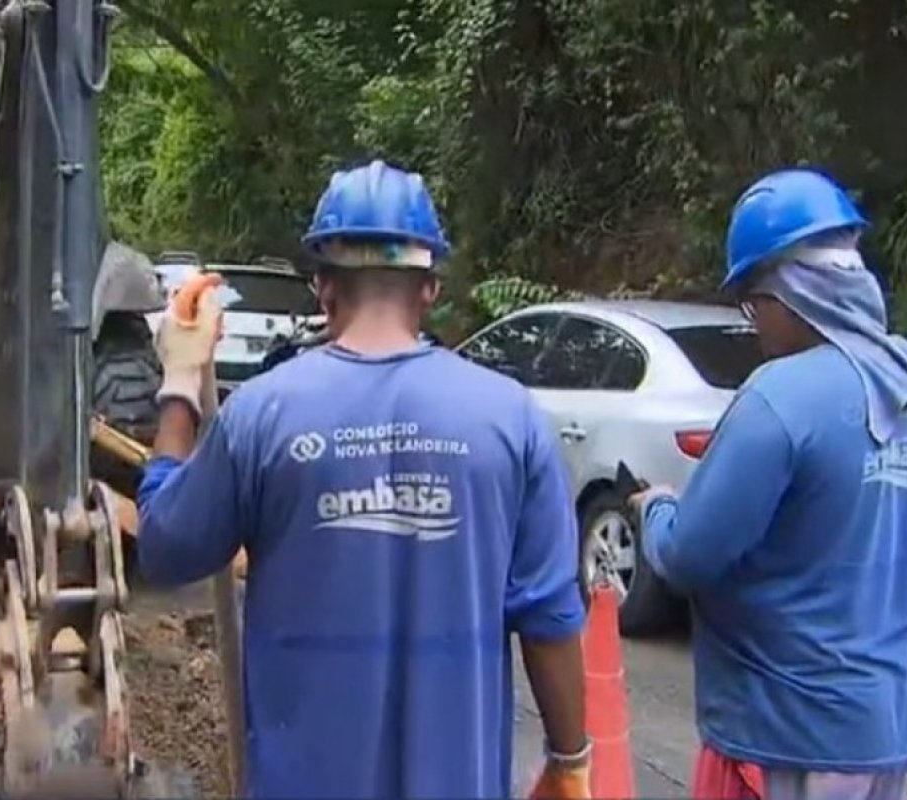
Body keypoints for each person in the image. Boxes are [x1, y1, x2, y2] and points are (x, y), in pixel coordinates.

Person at [136, 159, 590, 799]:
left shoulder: (260, 416)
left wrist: (181, 382)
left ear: (323, 286)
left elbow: (164, 546)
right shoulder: (512, 419)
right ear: (429, 288)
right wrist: (570, 763)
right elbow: (549, 620)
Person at [629, 167, 907, 800]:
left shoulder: (780, 396)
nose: (753, 326)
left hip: (788, 735)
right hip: (887, 733)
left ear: (791, 294)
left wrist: (658, 509)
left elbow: (690, 555)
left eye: (753, 305)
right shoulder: (898, 378)